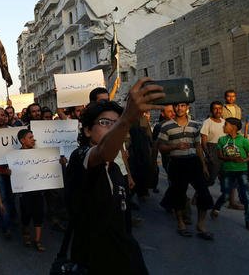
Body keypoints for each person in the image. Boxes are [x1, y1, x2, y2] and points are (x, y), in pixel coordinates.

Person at [69, 78, 160, 274]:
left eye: (116, 123)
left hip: (125, 252)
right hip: (94, 257)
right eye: (104, 123)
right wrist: (126, 118)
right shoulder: (80, 156)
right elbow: (102, 152)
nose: (112, 128)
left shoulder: (115, 169)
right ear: (87, 130)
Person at [158, 103, 214, 240]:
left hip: (194, 162)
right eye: (177, 106)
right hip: (177, 163)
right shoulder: (166, 126)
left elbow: (198, 146)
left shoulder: (195, 125)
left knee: (204, 193)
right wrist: (175, 146)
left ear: (187, 107)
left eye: (182, 106)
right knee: (179, 194)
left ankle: (201, 225)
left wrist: (204, 165)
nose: (179, 109)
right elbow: (161, 147)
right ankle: (181, 223)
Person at [211, 118, 249, 231]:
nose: (223, 127)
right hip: (227, 171)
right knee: (226, 194)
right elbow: (219, 155)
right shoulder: (222, 140)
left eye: (225, 125)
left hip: (242, 171)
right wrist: (230, 158)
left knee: (245, 196)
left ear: (234, 127)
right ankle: (216, 208)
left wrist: (244, 160)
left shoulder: (243, 141)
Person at [222, 90, 249, 190]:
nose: (231, 98)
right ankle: (201, 189)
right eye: (229, 96)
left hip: (237, 136)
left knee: (245, 158)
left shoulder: (238, 108)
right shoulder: (222, 109)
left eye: (233, 96)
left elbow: (239, 123)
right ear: (225, 97)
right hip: (226, 137)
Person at [16, 129, 46, 252]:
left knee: (39, 214)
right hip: (25, 192)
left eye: (33, 137)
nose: (33, 139)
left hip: (38, 190)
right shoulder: (16, 156)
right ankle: (26, 234)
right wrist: (10, 172)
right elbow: (14, 172)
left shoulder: (40, 154)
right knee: (26, 214)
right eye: (30, 137)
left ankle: (38, 240)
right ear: (22, 140)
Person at [0, 108, 16, 238]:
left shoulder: (13, 132)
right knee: (2, 198)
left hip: (12, 170)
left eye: (2, 115)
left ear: (6, 116)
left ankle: (12, 221)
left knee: (12, 198)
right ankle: (6, 227)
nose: (0, 117)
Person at [200, 102, 226, 187]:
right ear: (211, 110)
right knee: (210, 179)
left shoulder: (224, 122)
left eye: (220, 108)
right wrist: (208, 154)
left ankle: (229, 199)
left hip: (224, 150)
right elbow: (203, 141)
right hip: (212, 150)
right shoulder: (207, 122)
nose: (218, 111)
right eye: (215, 108)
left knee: (226, 178)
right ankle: (198, 197)